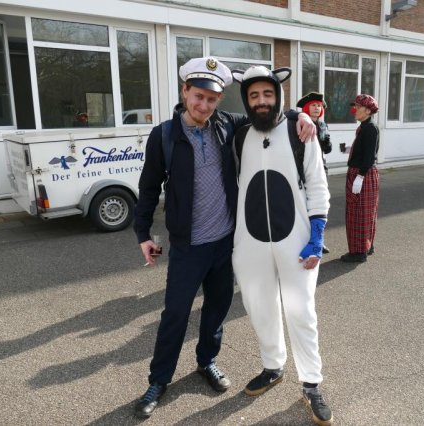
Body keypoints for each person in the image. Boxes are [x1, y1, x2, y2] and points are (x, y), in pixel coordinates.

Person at [132, 57, 316, 419]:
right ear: (185, 92)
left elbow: (268, 112)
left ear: (219, 101)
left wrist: (301, 115)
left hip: (225, 243)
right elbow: (149, 187)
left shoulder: (228, 125)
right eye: (198, 96)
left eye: (212, 99)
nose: (204, 105)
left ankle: (207, 362)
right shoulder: (164, 136)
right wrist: (143, 233)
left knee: (216, 309)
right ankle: (159, 380)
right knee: (175, 314)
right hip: (187, 246)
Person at [230, 65, 333, 426]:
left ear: (279, 95)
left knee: (301, 311)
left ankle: (311, 384)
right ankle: (273, 366)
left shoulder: (299, 131)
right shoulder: (239, 135)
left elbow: (318, 185)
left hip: (297, 240)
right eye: (254, 95)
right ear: (246, 100)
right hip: (250, 241)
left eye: (268, 94)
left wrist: (317, 236)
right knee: (259, 307)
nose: (261, 101)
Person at [340, 94, 380, 263]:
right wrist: (348, 149)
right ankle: (367, 246)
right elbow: (363, 150)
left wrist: (360, 177)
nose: (354, 109)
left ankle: (358, 253)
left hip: (362, 174)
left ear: (368, 110)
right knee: (366, 212)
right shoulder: (366, 126)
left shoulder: (370, 128)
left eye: (357, 106)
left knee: (358, 214)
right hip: (362, 173)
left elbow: (369, 156)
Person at [297, 92, 332, 254]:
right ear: (306, 107)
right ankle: (304, 239)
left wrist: (326, 139)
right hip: (305, 171)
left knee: (320, 206)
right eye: (314, 105)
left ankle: (318, 239)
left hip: (321, 170)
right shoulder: (300, 123)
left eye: (319, 106)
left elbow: (328, 149)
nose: (317, 108)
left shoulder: (323, 125)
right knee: (305, 207)